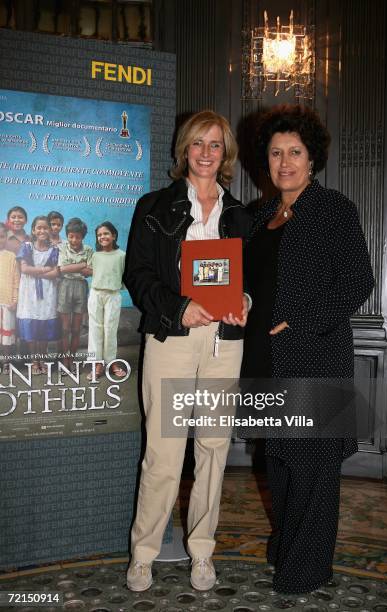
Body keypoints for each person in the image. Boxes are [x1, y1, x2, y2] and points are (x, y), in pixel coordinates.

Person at [242, 105, 374, 594]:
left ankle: (306, 568)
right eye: (276, 153)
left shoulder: (334, 208)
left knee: (314, 467)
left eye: (294, 152)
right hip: (266, 360)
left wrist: (302, 321)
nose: (284, 162)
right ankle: (286, 549)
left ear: (312, 158)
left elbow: (358, 280)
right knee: (278, 459)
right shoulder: (258, 216)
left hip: (315, 355)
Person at [124, 110, 252, 593]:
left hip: (224, 344)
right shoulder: (154, 206)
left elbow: (249, 282)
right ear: (184, 149)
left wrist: (244, 301)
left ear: (225, 154)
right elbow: (137, 276)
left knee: (215, 449)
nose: (205, 153)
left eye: (215, 145)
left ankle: (202, 553)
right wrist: (180, 308)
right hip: (172, 339)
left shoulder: (240, 214)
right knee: (163, 452)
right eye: (198, 144)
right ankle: (144, 555)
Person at [16, 216, 60, 375]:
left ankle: (42, 359)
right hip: (29, 292)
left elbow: (56, 272)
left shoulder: (54, 250)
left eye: (45, 228)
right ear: (33, 230)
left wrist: (40, 271)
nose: (42, 231)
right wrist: (43, 270)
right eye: (38, 228)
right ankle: (34, 361)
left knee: (44, 325)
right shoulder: (26, 247)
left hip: (48, 291)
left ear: (50, 230)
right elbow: (25, 269)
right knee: (31, 326)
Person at [87, 221, 126, 380]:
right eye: (99, 235)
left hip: (113, 295)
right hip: (96, 294)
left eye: (106, 233)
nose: (102, 237)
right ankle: (97, 364)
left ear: (114, 235)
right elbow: (89, 271)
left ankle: (111, 362)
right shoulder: (95, 255)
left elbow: (125, 275)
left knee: (110, 330)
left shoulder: (122, 255)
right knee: (95, 329)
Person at [57, 217, 93, 371]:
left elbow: (91, 271)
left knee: (76, 329)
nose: (73, 240)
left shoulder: (89, 250)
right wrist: (82, 264)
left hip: (81, 287)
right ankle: (64, 359)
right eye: (71, 236)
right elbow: (62, 269)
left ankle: (72, 358)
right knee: (65, 328)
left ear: (82, 237)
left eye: (77, 237)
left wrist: (74, 267)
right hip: (65, 286)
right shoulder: (62, 247)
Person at [0, 222, 19, 374]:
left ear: (6, 238)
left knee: (7, 334)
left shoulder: (11, 257)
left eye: (1, 237)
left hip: (7, 302)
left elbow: (16, 279)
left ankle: (7, 361)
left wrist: (14, 299)